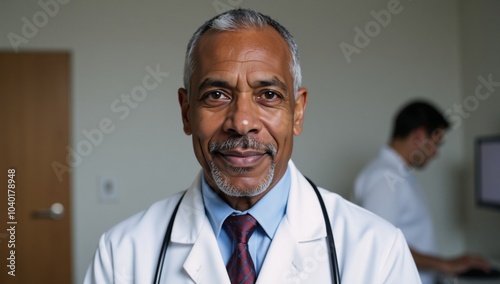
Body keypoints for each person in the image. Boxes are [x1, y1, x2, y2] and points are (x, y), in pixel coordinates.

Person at [84, 9, 421, 283]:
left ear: (298, 112)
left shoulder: (378, 251)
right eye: (217, 95)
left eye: (268, 95)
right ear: (187, 112)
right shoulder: (123, 254)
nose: (242, 122)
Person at [352, 100, 491, 284]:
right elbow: (381, 244)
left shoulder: (396, 173)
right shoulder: (385, 178)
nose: (436, 153)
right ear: (418, 135)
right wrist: (447, 264)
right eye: (436, 143)